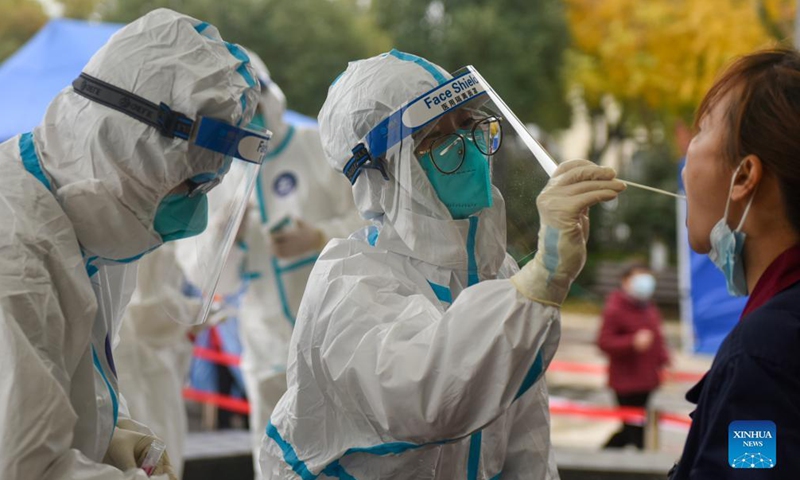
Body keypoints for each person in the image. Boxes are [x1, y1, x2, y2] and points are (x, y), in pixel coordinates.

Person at [260, 50, 625, 479]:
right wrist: (542, 279)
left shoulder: (502, 274)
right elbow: (429, 396)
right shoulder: (349, 281)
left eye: (469, 124)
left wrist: (534, 284)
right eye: (437, 138)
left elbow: (527, 439)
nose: (468, 147)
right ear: (383, 173)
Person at [0, 9, 264, 479]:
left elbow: (76, 374)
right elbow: (24, 468)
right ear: (126, 149)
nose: (197, 216)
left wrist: (112, 428)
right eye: (191, 185)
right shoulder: (15, 256)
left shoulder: (97, 220)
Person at [228, 52, 365, 476]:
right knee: (271, 454)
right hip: (264, 340)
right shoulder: (221, 177)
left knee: (344, 449)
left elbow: (372, 218)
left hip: (334, 335)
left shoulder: (316, 148)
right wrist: (226, 240)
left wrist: (319, 236)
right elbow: (207, 276)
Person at [671, 48, 800, 478]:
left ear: (744, 176)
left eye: (702, 131)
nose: (686, 165)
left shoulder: (766, 353)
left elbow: (751, 470)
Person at [115, 244, 200, 479]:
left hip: (154, 365)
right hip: (141, 369)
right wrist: (193, 313)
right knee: (152, 455)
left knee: (159, 457)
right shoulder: (145, 237)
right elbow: (148, 313)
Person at [598, 262, 669, 450]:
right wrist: (631, 342)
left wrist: (664, 360)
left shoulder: (649, 307)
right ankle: (602, 459)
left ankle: (605, 457)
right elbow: (604, 342)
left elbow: (657, 337)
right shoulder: (615, 308)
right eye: (638, 277)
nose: (644, 283)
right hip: (625, 381)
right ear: (625, 281)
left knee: (635, 428)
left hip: (647, 380)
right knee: (633, 429)